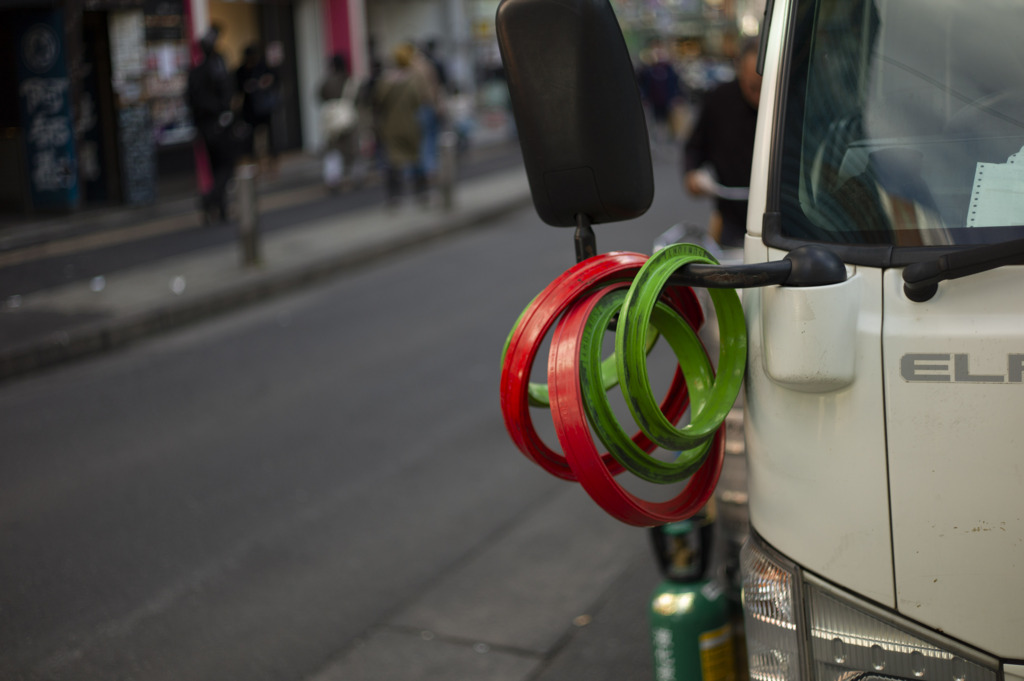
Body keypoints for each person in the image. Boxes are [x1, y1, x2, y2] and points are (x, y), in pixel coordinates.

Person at [682, 39, 762, 248]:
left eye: (766, 87)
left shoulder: (789, 99)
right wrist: (693, 175)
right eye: (753, 88)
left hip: (784, 217)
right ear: (740, 72)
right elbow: (695, 146)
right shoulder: (719, 100)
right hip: (731, 215)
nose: (759, 96)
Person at [187, 25, 237, 224]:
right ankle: (210, 199)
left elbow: (190, 101)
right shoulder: (217, 69)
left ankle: (221, 208)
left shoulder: (195, 73)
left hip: (204, 128)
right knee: (226, 166)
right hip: (219, 126)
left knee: (215, 167)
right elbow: (226, 97)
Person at [373, 43, 429, 206]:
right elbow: (418, 100)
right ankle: (421, 193)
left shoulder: (384, 80)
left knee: (392, 161)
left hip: (389, 125)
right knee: (415, 157)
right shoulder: (413, 79)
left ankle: (394, 196)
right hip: (410, 123)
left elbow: (378, 101)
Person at [236, 44, 280, 177]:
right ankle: (255, 167)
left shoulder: (263, 68)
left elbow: (275, 79)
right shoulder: (241, 71)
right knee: (250, 140)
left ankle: (270, 166)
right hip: (250, 110)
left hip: (263, 108)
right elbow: (237, 87)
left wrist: (264, 83)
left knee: (268, 139)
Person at [319, 54, 359, 192]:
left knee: (333, 150)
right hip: (347, 117)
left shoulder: (327, 81)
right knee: (350, 149)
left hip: (332, 120)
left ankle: (333, 179)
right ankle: (352, 177)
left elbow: (320, 95)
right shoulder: (349, 80)